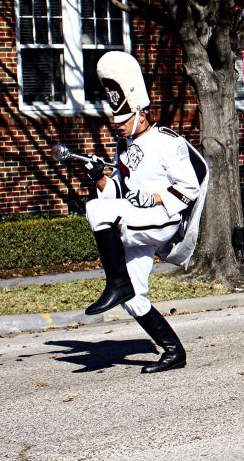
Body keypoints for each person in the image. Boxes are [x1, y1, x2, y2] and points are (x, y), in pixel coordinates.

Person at [82, 51, 209, 374]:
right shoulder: (123, 147)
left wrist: (153, 197)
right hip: (137, 221)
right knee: (134, 297)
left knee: (96, 210)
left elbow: (190, 188)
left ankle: (114, 282)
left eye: (123, 121)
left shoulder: (169, 143)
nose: (119, 127)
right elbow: (116, 195)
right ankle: (173, 351)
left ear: (140, 113)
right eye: (115, 122)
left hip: (163, 220)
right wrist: (98, 175)